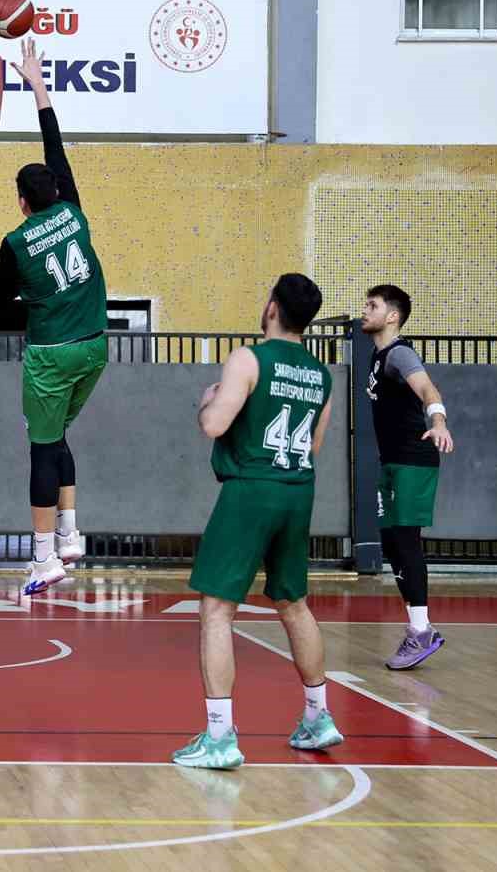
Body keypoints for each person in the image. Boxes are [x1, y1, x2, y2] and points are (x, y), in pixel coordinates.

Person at [173, 274, 345, 770]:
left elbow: (214, 424)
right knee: (294, 604)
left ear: (271, 308)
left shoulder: (249, 358)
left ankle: (221, 736)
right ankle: (318, 717)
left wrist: (209, 398)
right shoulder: (322, 375)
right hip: (298, 489)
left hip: (252, 488)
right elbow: (314, 447)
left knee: (217, 609)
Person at [0, 37, 110, 597]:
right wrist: (37, 82)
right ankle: (70, 533)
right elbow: (55, 144)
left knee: (40, 446)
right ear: (56, 191)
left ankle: (43, 558)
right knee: (58, 432)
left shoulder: (15, 243)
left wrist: (30, 304)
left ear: (20, 201)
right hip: (96, 347)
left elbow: (2, 299)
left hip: (51, 353)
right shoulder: (74, 210)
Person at [361, 284, 454, 670]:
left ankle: (421, 630)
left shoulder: (399, 354)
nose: (365, 310)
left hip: (414, 460)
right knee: (392, 543)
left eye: (373, 305)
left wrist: (438, 421)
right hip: (393, 462)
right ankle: (418, 628)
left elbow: (427, 387)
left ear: (393, 316)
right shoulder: (376, 355)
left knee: (405, 539)